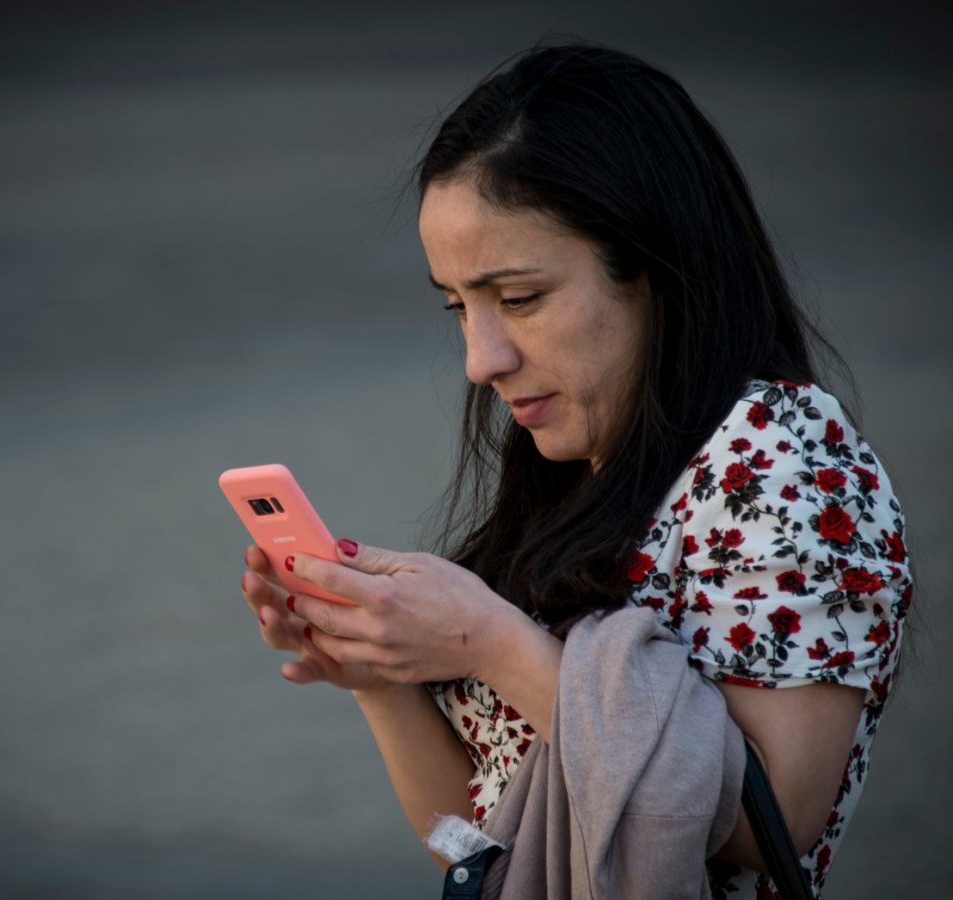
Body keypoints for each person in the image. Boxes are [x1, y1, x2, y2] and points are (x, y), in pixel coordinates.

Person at [238, 43, 911, 898]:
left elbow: (772, 825)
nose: (481, 358)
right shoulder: (584, 455)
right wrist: (380, 680)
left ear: (656, 268)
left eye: (518, 298)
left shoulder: (781, 452)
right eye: (458, 306)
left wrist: (488, 640)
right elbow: (474, 843)